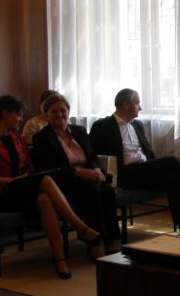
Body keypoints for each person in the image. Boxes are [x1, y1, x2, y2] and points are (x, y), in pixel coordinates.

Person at [0, 94, 102, 280]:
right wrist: (11, 181)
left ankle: (60, 260)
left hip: (20, 189)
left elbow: (29, 169)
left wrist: (22, 180)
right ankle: (80, 226)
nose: (21, 119)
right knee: (45, 180)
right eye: (18, 115)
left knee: (44, 199)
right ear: (5, 114)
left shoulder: (18, 140)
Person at [89, 89, 180, 235]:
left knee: (171, 178)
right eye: (137, 104)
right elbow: (92, 154)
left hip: (142, 171)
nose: (140, 108)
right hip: (125, 174)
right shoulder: (103, 125)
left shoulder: (137, 125)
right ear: (126, 105)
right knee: (172, 161)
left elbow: (148, 151)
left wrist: (157, 167)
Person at [32, 93, 120, 256]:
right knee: (90, 190)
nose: (59, 114)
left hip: (89, 176)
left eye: (63, 110)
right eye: (54, 111)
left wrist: (96, 170)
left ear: (68, 111)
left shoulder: (79, 131)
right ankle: (94, 243)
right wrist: (78, 172)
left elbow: (92, 157)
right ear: (46, 115)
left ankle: (110, 239)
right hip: (63, 181)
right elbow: (48, 168)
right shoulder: (42, 138)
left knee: (107, 191)